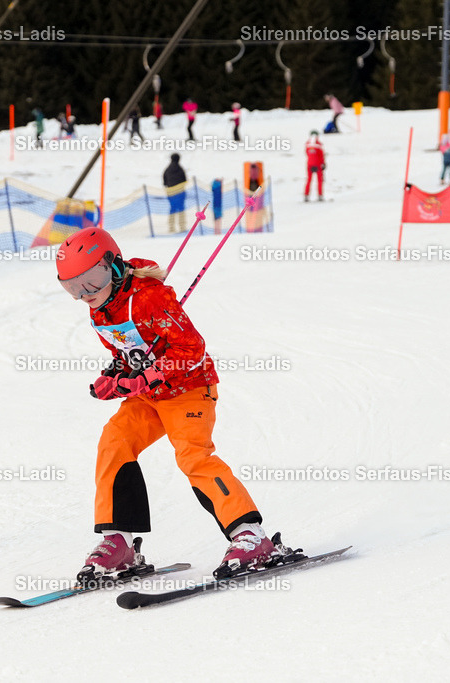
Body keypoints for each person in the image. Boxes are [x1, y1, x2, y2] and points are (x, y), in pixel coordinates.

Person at [55, 228, 280, 582]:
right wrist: (113, 377)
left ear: (113, 266)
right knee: (114, 441)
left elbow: (192, 349)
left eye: (91, 280)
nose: (85, 293)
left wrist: (144, 378)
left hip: (188, 388)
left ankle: (250, 536)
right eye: (73, 287)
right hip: (150, 398)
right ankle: (119, 544)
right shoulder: (100, 311)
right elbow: (128, 353)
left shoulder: (150, 298)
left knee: (192, 455)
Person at [162, 153, 187, 232]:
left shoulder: (167, 169)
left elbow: (164, 182)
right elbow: (184, 180)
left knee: (172, 209)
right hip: (180, 193)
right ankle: (182, 226)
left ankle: (171, 227)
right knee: (181, 209)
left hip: (170, 193)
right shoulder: (180, 169)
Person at [304, 130, 325, 201]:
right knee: (319, 180)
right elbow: (321, 155)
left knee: (309, 180)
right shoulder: (318, 144)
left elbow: (306, 153)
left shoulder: (307, 144)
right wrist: (323, 163)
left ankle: (306, 195)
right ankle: (320, 195)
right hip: (318, 164)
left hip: (309, 164)